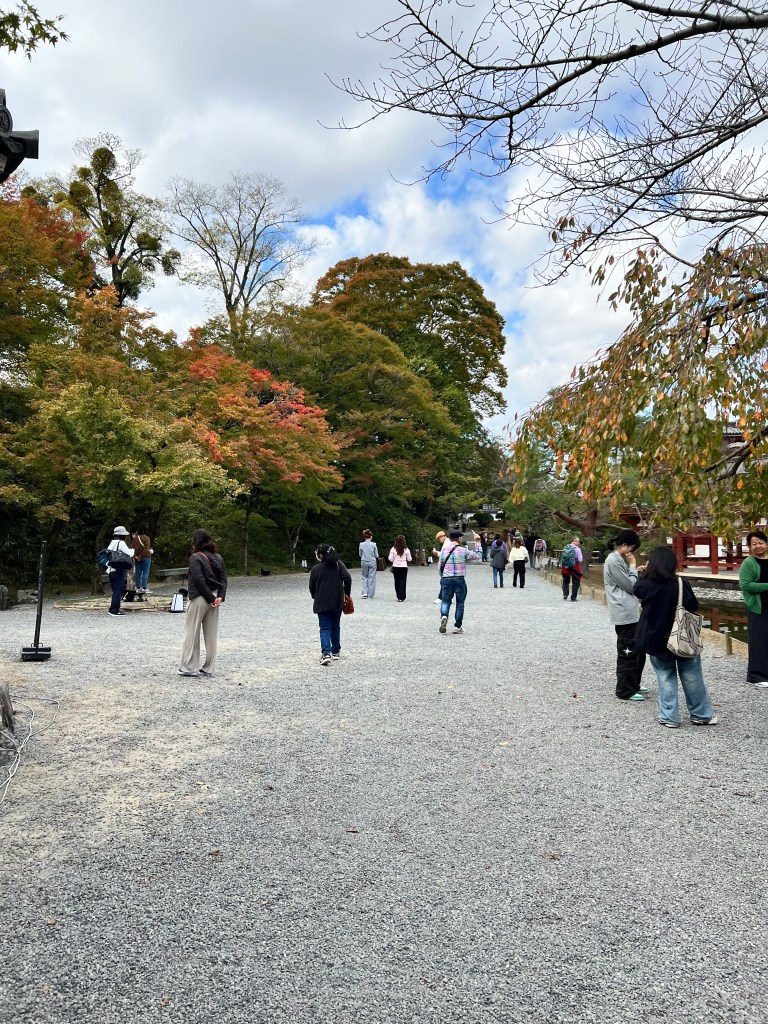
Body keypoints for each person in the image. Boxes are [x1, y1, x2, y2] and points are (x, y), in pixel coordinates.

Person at [634, 546, 717, 728]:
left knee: (665, 676)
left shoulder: (645, 584)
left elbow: (637, 592)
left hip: (655, 638)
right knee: (692, 676)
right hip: (682, 637)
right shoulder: (680, 583)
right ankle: (701, 715)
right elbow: (693, 605)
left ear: (652, 564)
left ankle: (670, 717)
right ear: (672, 564)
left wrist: (643, 573)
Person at [603, 530, 647, 701]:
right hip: (624, 611)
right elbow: (630, 585)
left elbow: (628, 580)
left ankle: (633, 684)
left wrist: (634, 570)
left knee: (638, 650)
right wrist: (633, 566)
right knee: (627, 652)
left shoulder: (617, 560)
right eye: (632, 548)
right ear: (625, 545)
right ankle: (625, 690)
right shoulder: (613, 560)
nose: (631, 553)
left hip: (629, 611)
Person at [178, 529, 227, 677]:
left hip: (199, 598)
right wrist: (219, 597)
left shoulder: (195, 558)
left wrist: (210, 599)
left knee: (191, 633)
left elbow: (198, 581)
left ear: (196, 542)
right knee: (211, 635)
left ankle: (189, 667)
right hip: (213, 598)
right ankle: (209, 667)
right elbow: (223, 580)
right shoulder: (218, 557)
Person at [309, 543, 352, 666]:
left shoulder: (316, 569)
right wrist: (346, 593)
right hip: (337, 600)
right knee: (335, 625)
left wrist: (315, 596)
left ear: (320, 555)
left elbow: (312, 587)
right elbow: (347, 578)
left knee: (324, 627)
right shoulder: (339, 565)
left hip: (322, 601)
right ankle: (336, 651)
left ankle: (326, 653)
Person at [738, 529, 768, 688]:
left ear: (767, 544)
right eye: (754, 544)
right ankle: (755, 676)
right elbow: (745, 585)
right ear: (750, 547)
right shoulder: (749, 563)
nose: (758, 546)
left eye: (761, 543)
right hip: (758, 607)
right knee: (759, 641)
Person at [438, 528, 482, 634]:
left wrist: (443, 576)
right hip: (459, 579)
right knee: (460, 603)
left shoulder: (444, 550)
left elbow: (440, 566)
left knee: (445, 601)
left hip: (446, 579)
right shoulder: (463, 550)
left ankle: (444, 616)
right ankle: (457, 626)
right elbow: (478, 556)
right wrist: (478, 542)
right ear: (459, 539)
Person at [105, 526, 134, 617]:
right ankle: (114, 610)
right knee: (119, 590)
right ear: (122, 535)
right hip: (118, 570)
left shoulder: (112, 542)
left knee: (115, 590)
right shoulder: (121, 543)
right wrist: (133, 550)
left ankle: (113, 608)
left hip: (111, 569)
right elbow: (129, 553)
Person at [388, 535, 412, 602]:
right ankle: (401, 597)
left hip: (395, 567)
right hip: (403, 567)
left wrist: (395, 560)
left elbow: (390, 559)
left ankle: (398, 595)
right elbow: (409, 559)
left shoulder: (393, 549)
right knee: (403, 582)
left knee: (397, 581)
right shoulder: (406, 549)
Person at [131, 529, 153, 595]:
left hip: (137, 558)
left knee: (138, 573)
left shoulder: (135, 539)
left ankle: (137, 587)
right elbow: (146, 549)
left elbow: (132, 549)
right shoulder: (146, 538)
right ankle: (144, 588)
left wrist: (136, 556)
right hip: (146, 557)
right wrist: (141, 556)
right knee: (145, 573)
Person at [561, 536, 584, 601]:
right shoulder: (577, 549)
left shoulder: (566, 547)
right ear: (574, 541)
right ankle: (573, 597)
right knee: (576, 582)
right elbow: (580, 559)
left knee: (565, 581)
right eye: (578, 541)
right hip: (574, 566)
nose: (579, 543)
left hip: (565, 566)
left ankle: (565, 594)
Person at [359, 528, 379, 600]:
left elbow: (360, 554)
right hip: (372, 561)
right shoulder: (374, 545)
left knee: (364, 576)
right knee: (371, 577)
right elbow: (376, 555)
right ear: (371, 536)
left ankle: (364, 593)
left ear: (365, 537)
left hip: (364, 561)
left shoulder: (361, 544)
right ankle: (370, 595)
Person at [431, 530, 447, 603]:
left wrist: (436, 553)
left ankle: (440, 597)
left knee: (443, 582)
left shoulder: (447, 544)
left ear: (442, 537)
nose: (439, 541)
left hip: (445, 566)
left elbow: (445, 555)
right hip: (444, 565)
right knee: (445, 582)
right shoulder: (446, 543)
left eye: (438, 539)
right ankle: (449, 597)